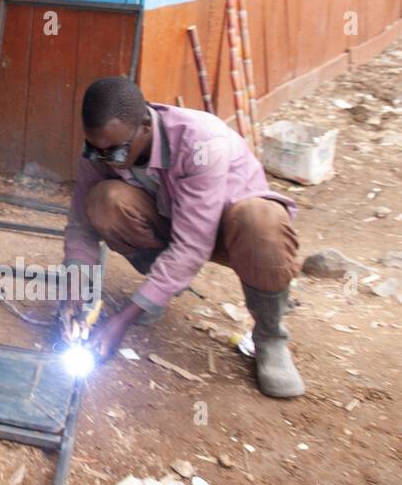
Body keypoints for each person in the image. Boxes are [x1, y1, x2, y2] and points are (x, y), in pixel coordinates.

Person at [60, 77, 304, 398]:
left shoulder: (201, 142)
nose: (105, 160)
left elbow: (193, 246)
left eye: (115, 152)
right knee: (104, 201)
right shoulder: (102, 149)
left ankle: (270, 337)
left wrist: (122, 319)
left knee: (261, 221)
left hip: (231, 231)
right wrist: (74, 293)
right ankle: (157, 292)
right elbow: (81, 225)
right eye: (96, 149)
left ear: (145, 125)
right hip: (173, 223)